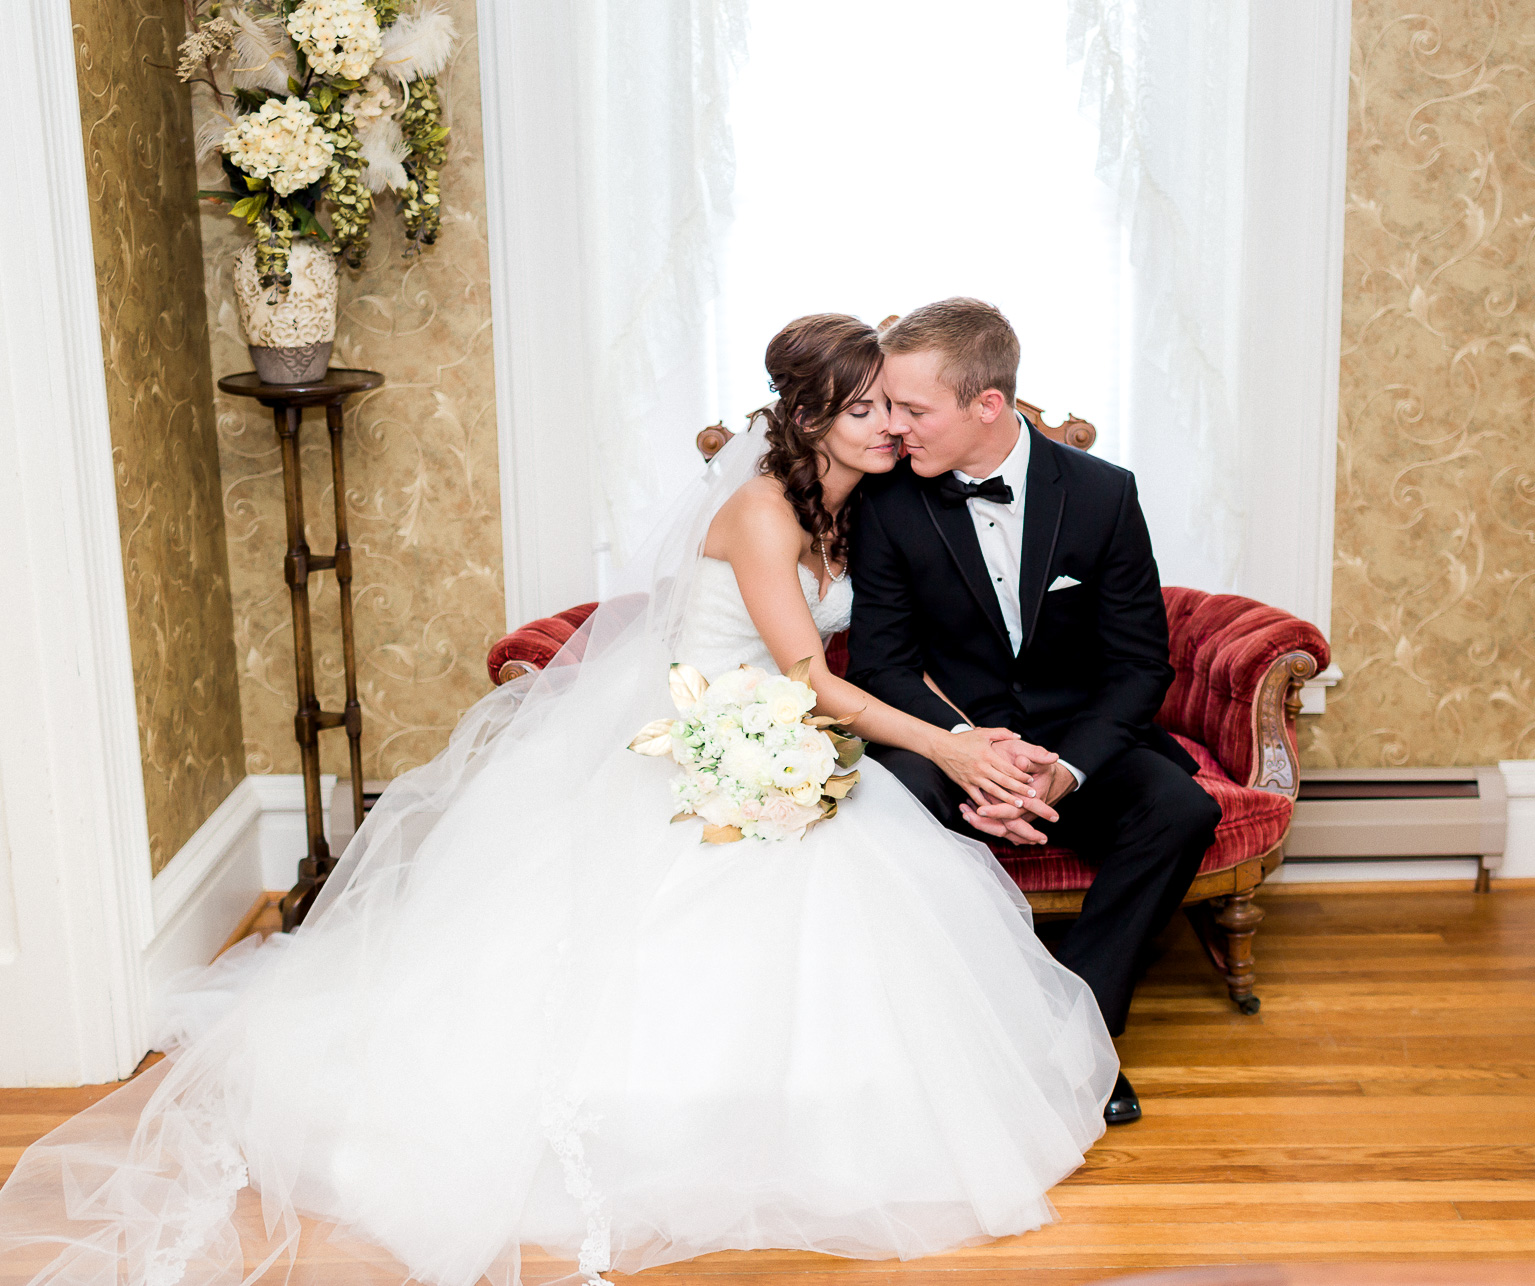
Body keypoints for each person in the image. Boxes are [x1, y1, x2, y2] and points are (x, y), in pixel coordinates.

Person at [0, 315, 1117, 1286]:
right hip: (702, 742)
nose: (891, 427)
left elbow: (881, 650)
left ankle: (828, 1115)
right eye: (867, 407)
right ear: (812, 412)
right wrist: (951, 751)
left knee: (863, 901)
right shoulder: (766, 516)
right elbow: (814, 676)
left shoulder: (863, 507)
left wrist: (967, 734)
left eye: (894, 406)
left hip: (790, 742)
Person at [850, 297, 1224, 1125]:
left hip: (1082, 735)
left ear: (988, 404)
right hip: (951, 736)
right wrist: (967, 752)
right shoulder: (887, 504)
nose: (894, 428)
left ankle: (1077, 1040)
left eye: (913, 409)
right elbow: (881, 662)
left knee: (1179, 810)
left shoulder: (1103, 495)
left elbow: (1139, 664)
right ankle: (951, 1044)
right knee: (891, 806)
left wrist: (1060, 770)